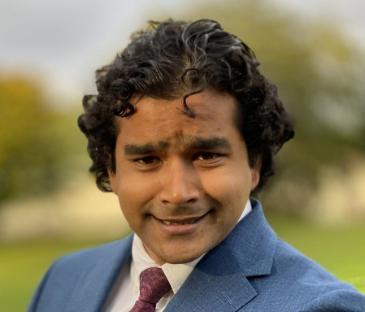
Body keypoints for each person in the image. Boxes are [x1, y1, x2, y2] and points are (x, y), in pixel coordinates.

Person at [28, 19, 365, 312]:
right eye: (147, 159)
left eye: (206, 156)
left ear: (254, 164)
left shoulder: (321, 307)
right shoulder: (62, 281)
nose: (177, 192)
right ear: (111, 169)